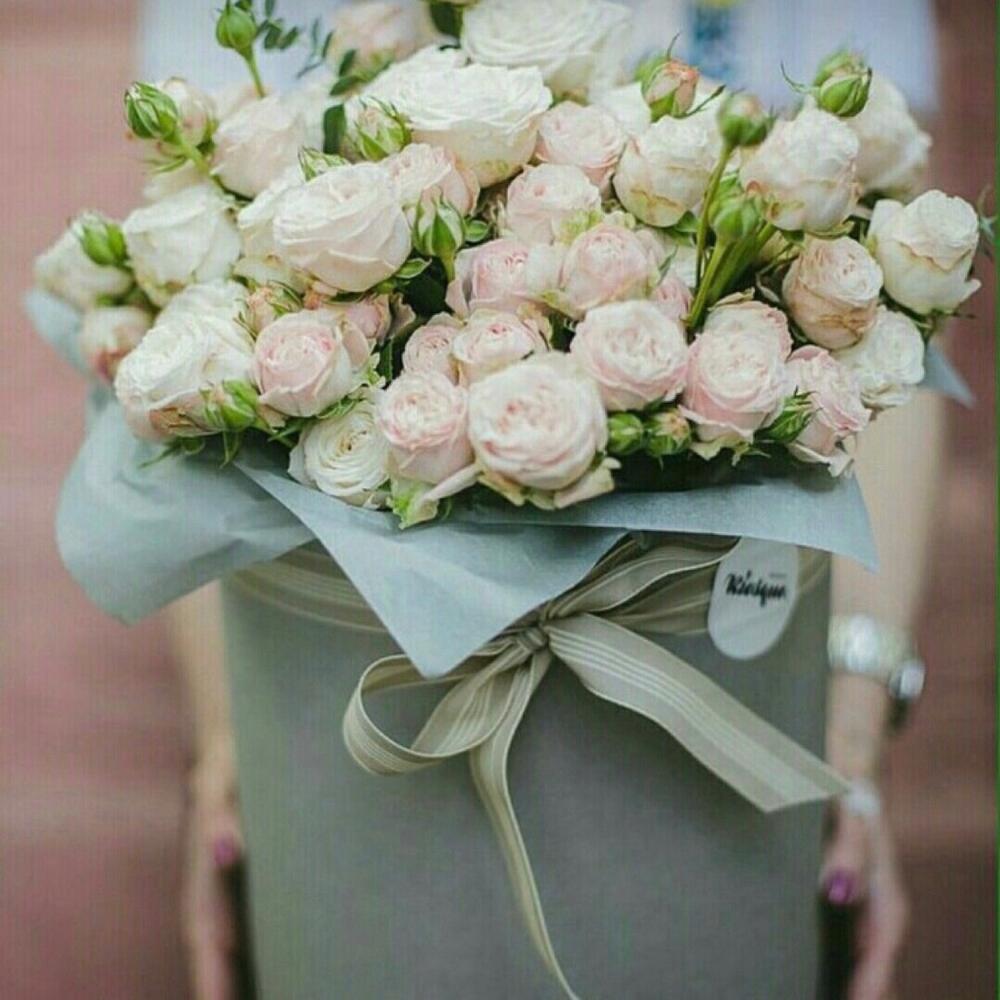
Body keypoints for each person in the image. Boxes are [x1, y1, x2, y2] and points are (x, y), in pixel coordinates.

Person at [143, 2, 943, 997]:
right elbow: (178, 334)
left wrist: (853, 721)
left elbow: (885, 315)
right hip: (360, 727)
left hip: (722, 713)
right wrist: (230, 739)